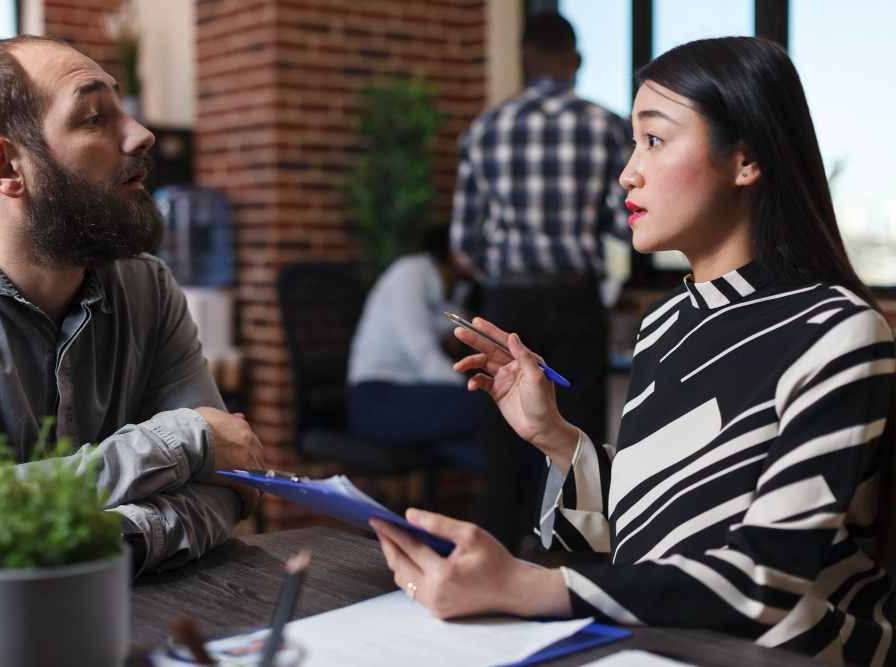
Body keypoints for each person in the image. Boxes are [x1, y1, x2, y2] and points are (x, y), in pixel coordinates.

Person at [371, 36, 896, 665]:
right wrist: (556, 437)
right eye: (632, 142)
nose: (628, 171)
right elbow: (661, 523)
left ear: (747, 158)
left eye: (654, 139)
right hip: (656, 645)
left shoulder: (839, 331)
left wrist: (528, 584)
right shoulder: (665, 321)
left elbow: (765, 580)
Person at [0, 35, 266, 581]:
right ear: (4, 167)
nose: (142, 136)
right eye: (94, 117)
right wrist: (184, 440)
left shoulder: (148, 286)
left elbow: (230, 488)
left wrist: (82, 542)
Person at [450, 12, 632, 550]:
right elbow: (627, 224)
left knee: (504, 439)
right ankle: (580, 571)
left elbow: (464, 241)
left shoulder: (484, 129)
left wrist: (503, 278)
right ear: (575, 61)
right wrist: (593, 259)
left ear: (524, 59)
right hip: (576, 298)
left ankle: (496, 564)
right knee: (579, 439)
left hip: (508, 304)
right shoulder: (606, 125)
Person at [347, 224, 483, 470]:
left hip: (419, 397)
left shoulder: (459, 291)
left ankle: (530, 501)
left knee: (494, 455)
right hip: (378, 399)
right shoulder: (410, 273)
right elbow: (423, 355)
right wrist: (469, 391)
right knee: (492, 407)